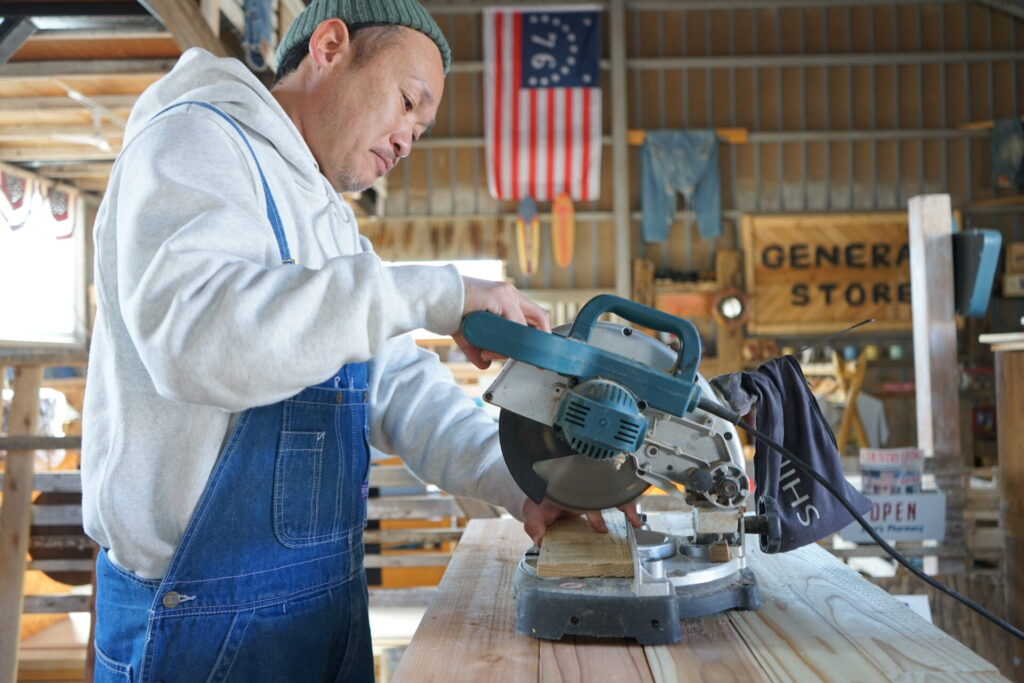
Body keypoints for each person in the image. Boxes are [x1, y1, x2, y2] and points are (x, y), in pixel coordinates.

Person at [81, 1, 639, 680]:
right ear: (330, 45)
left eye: (422, 128)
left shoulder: (328, 223)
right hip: (196, 625)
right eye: (407, 102)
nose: (408, 138)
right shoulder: (196, 141)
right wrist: (436, 293)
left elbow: (398, 386)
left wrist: (525, 484)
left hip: (324, 610)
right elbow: (198, 343)